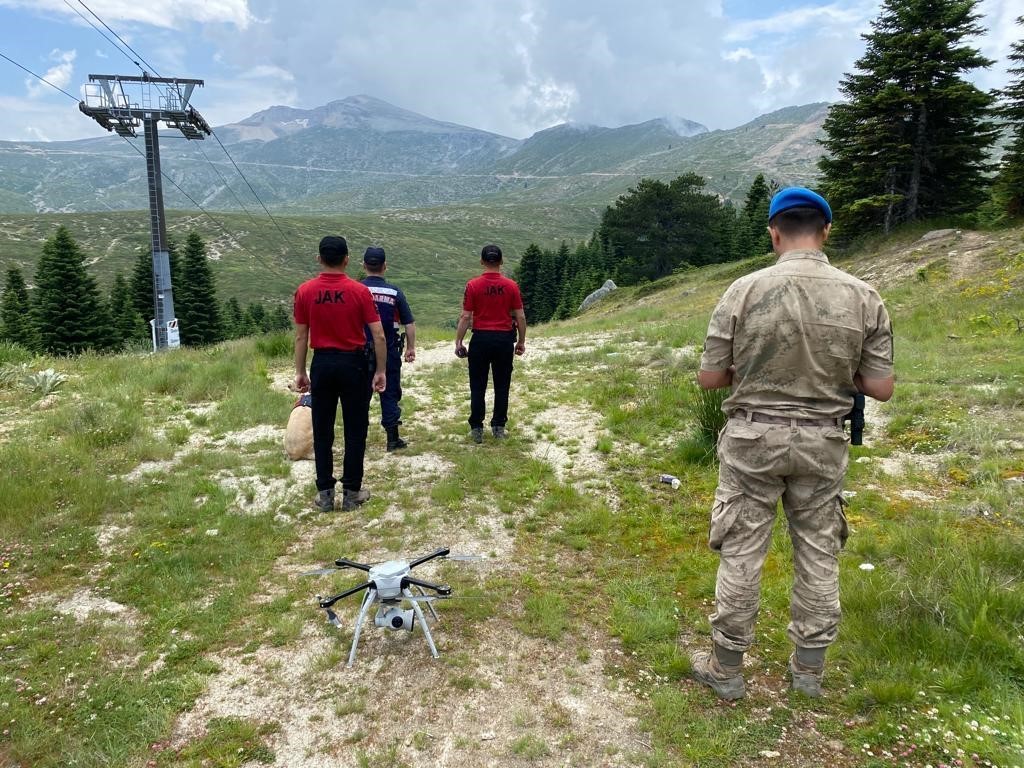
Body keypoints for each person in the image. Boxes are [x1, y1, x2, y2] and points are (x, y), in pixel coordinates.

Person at [691, 187, 894, 700]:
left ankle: (728, 669)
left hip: (753, 438)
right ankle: (808, 674)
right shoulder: (863, 295)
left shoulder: (742, 290)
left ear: (774, 233)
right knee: (819, 554)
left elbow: (711, 378)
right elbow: (882, 387)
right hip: (823, 442)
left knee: (741, 551)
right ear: (825, 232)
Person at [293, 236, 387, 512]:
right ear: (346, 259)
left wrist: (300, 371)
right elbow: (378, 334)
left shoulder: (305, 291)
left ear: (319, 259)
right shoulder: (359, 291)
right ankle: (352, 492)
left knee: (323, 428)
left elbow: (301, 336)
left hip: (322, 363)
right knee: (355, 428)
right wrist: (380, 370)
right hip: (353, 364)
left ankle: (324, 494)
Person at [454, 244, 527, 443]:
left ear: (482, 261)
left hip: (480, 339)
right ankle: (498, 426)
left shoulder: (473, 285)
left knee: (477, 385)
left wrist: (459, 341)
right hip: (504, 340)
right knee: (502, 385)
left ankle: (477, 427)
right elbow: (520, 316)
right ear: (501, 262)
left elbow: (465, 316)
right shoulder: (511, 286)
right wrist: (520, 341)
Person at [360, 246, 417, 451]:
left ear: (364, 265)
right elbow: (408, 323)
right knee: (390, 392)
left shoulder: (356, 290)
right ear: (385, 266)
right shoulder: (394, 292)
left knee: (359, 396)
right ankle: (393, 439)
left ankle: (359, 439)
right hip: (390, 350)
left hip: (359, 352)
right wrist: (410, 348)